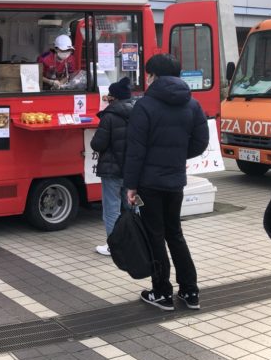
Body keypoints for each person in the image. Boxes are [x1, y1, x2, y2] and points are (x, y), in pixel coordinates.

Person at [123, 54, 209, 311]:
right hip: (175, 182)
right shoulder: (192, 104)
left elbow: (135, 151)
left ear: (153, 75)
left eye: (148, 74)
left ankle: (161, 292)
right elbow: (200, 142)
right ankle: (190, 291)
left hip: (148, 184)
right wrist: (176, 156)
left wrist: (130, 186)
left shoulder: (144, 106)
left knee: (155, 235)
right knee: (175, 233)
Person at [90, 77, 134, 256]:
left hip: (112, 171)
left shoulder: (109, 116)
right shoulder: (139, 112)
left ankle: (114, 246)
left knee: (111, 209)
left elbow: (97, 144)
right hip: (132, 171)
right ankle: (137, 241)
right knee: (133, 206)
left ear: (114, 97)